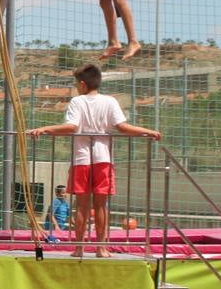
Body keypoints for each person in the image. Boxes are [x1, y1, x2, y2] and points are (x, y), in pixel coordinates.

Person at [27, 64, 161, 258]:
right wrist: (148, 131)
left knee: (81, 205)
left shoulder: (77, 102)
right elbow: (122, 127)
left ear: (82, 84)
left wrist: (46, 128)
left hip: (81, 159)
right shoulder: (110, 101)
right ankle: (101, 248)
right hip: (103, 158)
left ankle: (79, 248)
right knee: (100, 205)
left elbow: (71, 127)